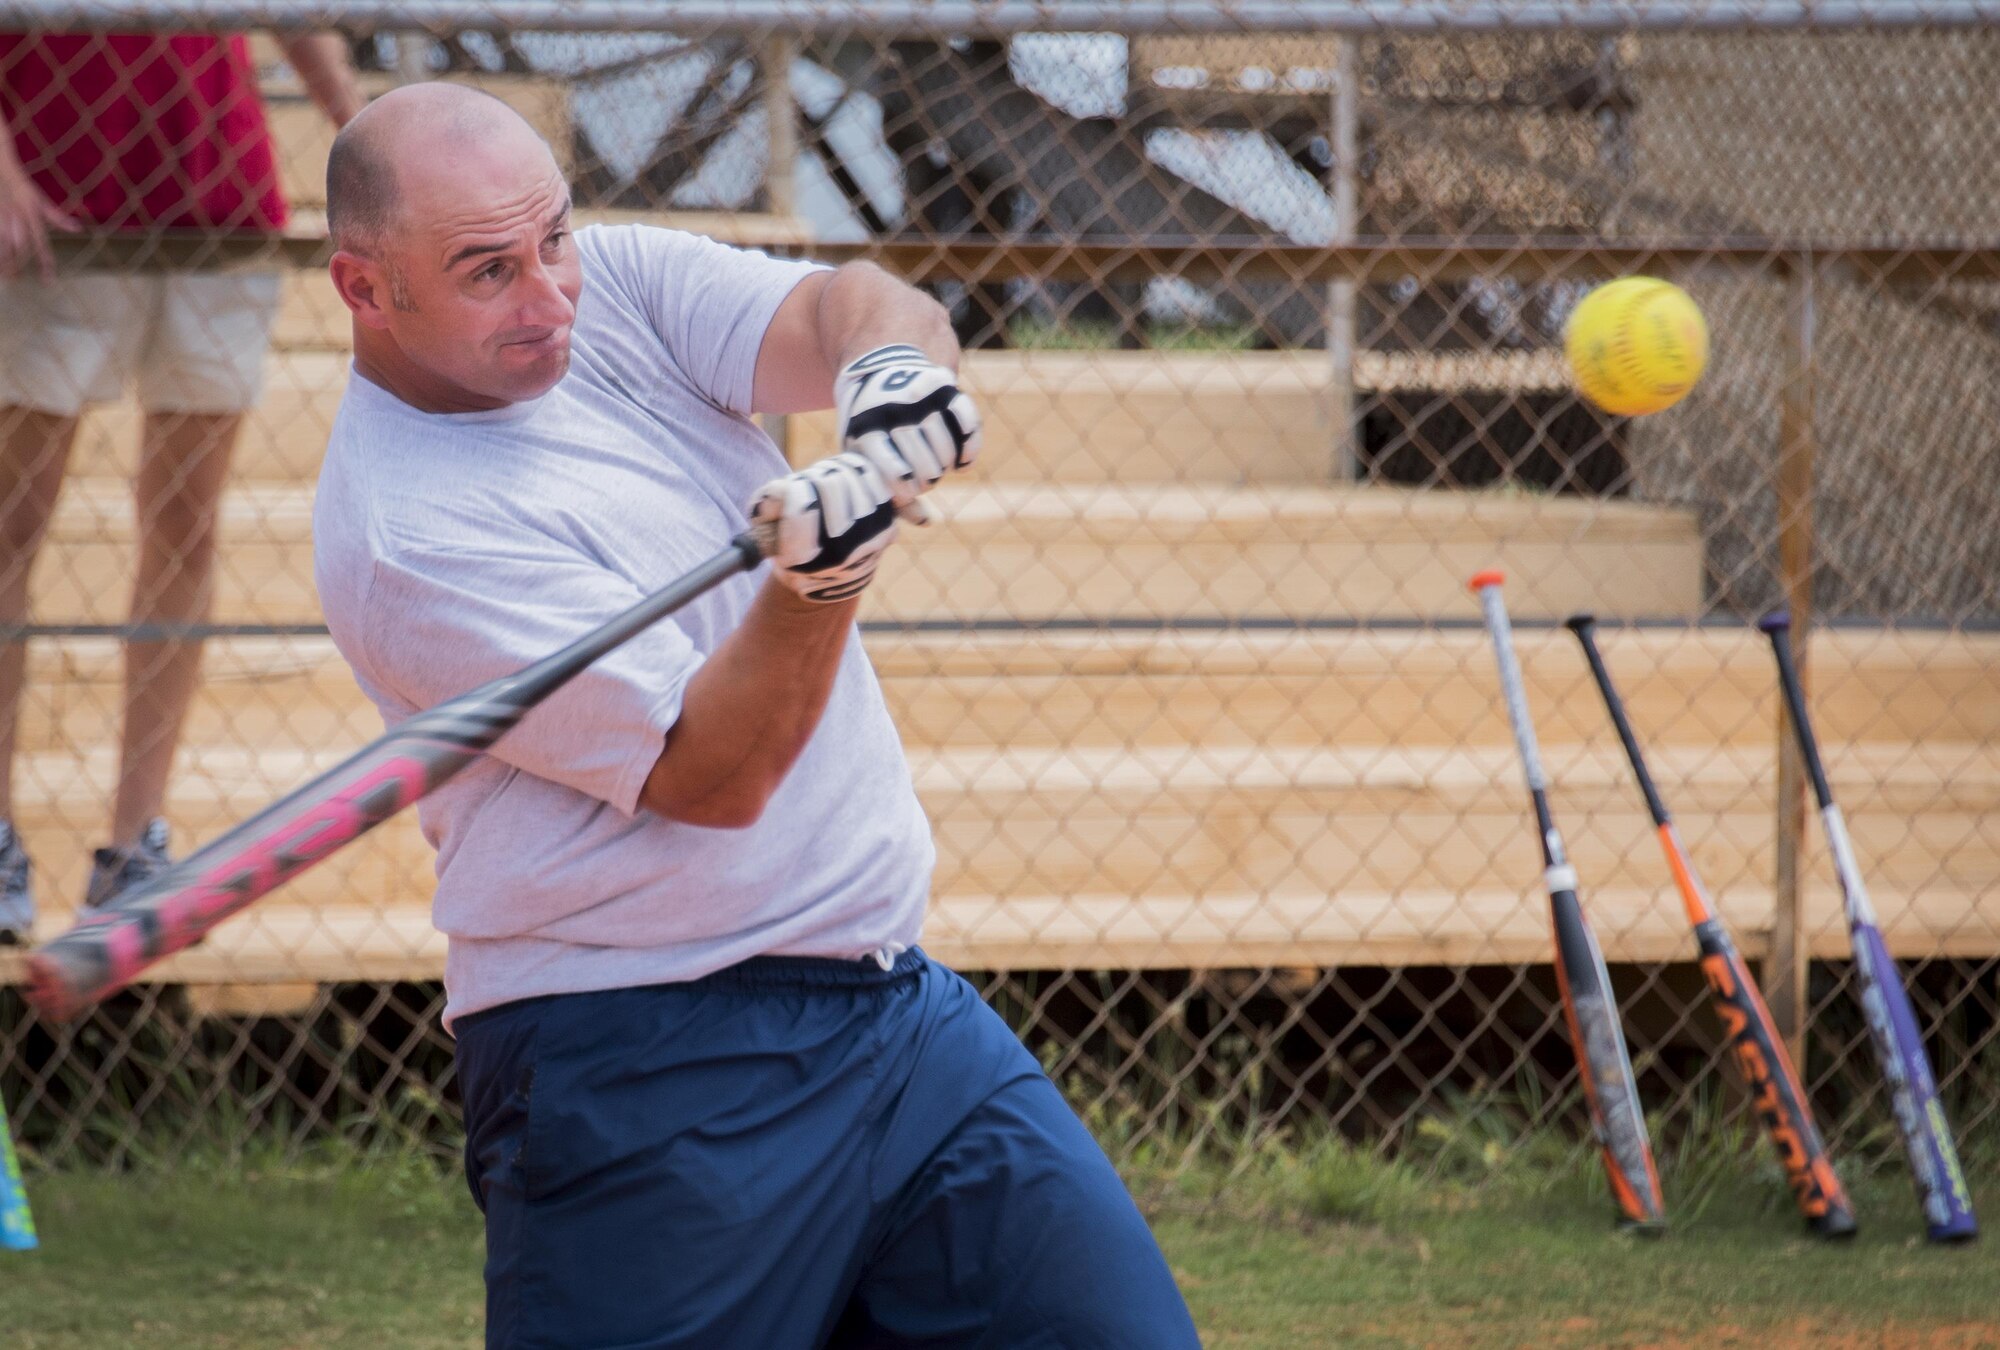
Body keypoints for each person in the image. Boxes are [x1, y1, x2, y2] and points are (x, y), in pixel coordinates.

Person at [311, 83, 1202, 1349]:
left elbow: (844, 306)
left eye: (551, 238)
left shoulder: (602, 286)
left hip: (894, 1010)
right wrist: (820, 581)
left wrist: (888, 373)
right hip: (643, 1060)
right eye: (486, 272)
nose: (548, 293)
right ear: (365, 287)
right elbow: (712, 774)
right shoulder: (408, 535)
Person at [0, 31, 363, 943]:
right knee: (12, 529)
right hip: (48, 208)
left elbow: (295, 15)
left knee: (182, 528)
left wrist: (364, 145)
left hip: (216, 204)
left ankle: (135, 849)